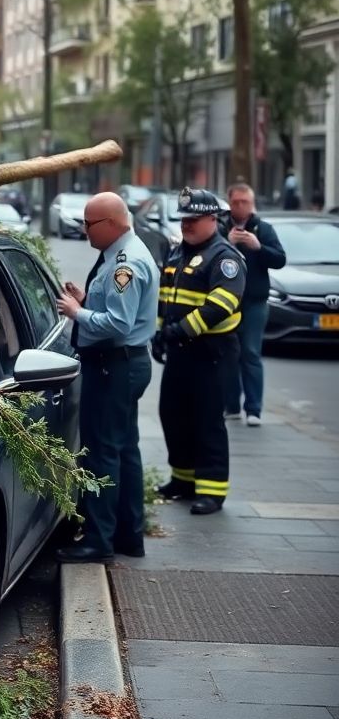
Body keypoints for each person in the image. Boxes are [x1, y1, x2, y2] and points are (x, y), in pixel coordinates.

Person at [53, 193, 159, 563]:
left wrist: (77, 314)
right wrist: (86, 301)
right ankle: (129, 535)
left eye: (89, 223)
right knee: (124, 449)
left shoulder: (124, 265)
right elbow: (114, 308)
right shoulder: (121, 253)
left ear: (112, 223)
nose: (84, 230)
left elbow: (118, 323)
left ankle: (99, 541)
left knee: (102, 455)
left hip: (115, 367)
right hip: (122, 364)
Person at [153, 187, 247, 515]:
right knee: (173, 414)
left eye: (194, 219)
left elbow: (220, 306)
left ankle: (211, 491)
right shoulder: (178, 252)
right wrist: (159, 334)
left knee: (207, 421)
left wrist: (178, 331)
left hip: (212, 352)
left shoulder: (225, 258)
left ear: (212, 218)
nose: (186, 224)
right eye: (184, 219)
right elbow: (166, 297)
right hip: (180, 351)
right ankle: (183, 479)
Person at [220, 183, 286, 426]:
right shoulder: (219, 226)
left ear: (252, 203)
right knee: (229, 354)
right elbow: (205, 255)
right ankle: (232, 406)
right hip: (227, 303)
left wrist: (258, 247)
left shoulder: (263, 228)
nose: (240, 207)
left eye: (244, 202)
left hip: (255, 301)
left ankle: (254, 409)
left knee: (250, 353)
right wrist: (228, 242)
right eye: (235, 202)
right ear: (229, 203)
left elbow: (280, 259)